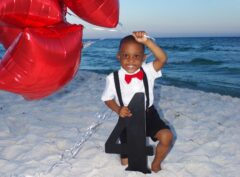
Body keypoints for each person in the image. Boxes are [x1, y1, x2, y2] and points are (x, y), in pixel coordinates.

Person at [101, 31, 173, 173]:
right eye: (126, 55)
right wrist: (118, 109)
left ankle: (157, 162)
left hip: (148, 113)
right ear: (118, 56)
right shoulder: (113, 78)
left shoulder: (148, 71)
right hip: (128, 117)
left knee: (167, 136)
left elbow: (162, 59)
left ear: (143, 58)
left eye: (136, 56)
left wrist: (147, 42)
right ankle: (126, 154)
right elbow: (107, 99)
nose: (130, 60)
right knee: (125, 162)